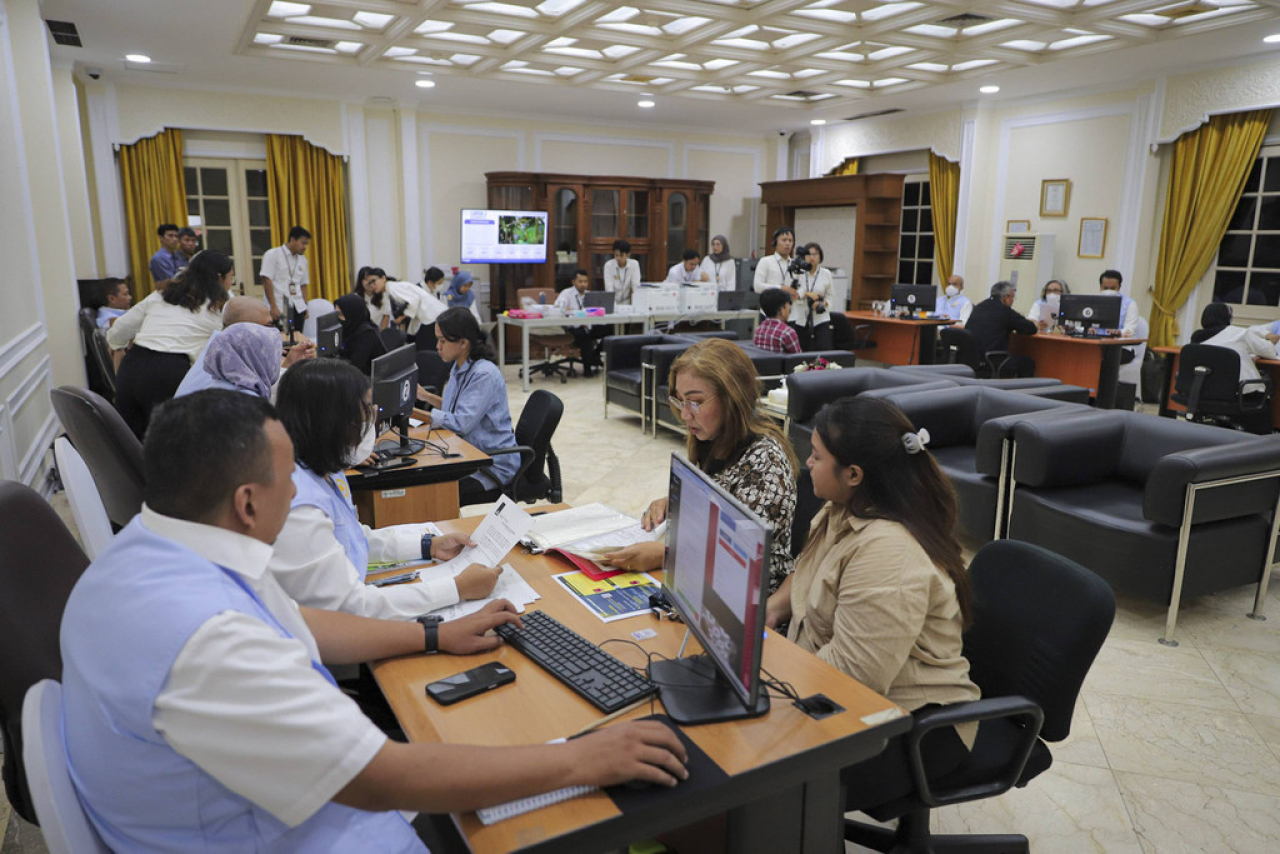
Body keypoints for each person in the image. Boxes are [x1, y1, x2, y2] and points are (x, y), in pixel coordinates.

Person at [58, 390, 689, 852]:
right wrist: (585, 759)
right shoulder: (207, 638)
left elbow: (300, 622)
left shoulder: (148, 550)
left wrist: (434, 634)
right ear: (248, 503)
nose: (304, 490)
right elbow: (381, 777)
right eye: (289, 479)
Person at [763, 396, 979, 813]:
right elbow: (810, 575)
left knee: (754, 775)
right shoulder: (843, 508)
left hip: (913, 728)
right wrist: (772, 610)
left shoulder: (888, 552)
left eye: (816, 456)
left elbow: (852, 679)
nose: (807, 463)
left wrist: (769, 680)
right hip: (847, 692)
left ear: (855, 474)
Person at [270, 359, 503, 617]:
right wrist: (455, 589)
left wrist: (429, 545)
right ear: (332, 423)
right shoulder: (297, 506)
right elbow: (352, 607)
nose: (371, 422)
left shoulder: (326, 470)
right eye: (364, 414)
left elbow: (352, 539)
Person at [604, 339, 798, 593]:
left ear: (733, 398)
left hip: (747, 604)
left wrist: (665, 553)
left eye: (695, 402)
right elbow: (714, 511)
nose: (685, 415)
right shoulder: (712, 439)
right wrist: (673, 503)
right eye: (680, 401)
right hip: (700, 586)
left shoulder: (766, 463)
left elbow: (740, 556)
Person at [108, 249, 230, 436]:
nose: (232, 283)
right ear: (220, 278)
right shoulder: (217, 309)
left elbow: (118, 331)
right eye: (231, 278)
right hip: (167, 373)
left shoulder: (161, 295)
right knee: (174, 445)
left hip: (132, 368)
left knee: (132, 446)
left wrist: (118, 349)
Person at [417, 308, 521, 500]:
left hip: (491, 465)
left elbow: (461, 423)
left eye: (442, 341)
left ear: (463, 343)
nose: (437, 347)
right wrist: (426, 397)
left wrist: (415, 413)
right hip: (471, 455)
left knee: (435, 493)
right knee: (423, 476)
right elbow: (455, 410)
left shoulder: (483, 374)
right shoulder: (460, 367)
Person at [174, 296, 314, 398]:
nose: (274, 333)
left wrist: (287, 365)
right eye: (268, 326)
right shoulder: (228, 379)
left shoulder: (221, 351)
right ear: (245, 332)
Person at [1192, 302, 1274, 434]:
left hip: (1206, 393)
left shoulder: (1196, 339)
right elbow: (1269, 351)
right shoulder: (1238, 333)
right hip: (1241, 395)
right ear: (1226, 318)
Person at [964, 280, 1037, 378]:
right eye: (1012, 297)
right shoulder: (1005, 311)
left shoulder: (979, 307)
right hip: (993, 360)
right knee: (1028, 363)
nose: (1012, 301)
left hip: (972, 360)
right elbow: (1031, 329)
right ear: (1006, 297)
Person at [554, 269, 607, 375]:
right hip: (573, 327)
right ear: (573, 282)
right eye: (580, 281)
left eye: (585, 281)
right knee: (584, 336)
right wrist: (569, 310)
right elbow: (559, 308)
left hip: (589, 325)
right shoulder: (567, 293)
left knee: (611, 329)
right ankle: (587, 369)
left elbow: (596, 311)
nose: (583, 284)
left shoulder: (590, 295)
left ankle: (595, 355)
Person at [261, 225, 311, 325]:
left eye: (306, 244)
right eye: (303, 243)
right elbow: (266, 280)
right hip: (279, 306)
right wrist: (273, 306)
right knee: (281, 338)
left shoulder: (303, 260)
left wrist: (305, 305)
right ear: (292, 240)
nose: (305, 247)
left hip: (298, 307)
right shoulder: (272, 255)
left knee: (298, 338)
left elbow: (303, 285)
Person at [792, 242, 834, 351]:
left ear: (820, 257)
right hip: (801, 318)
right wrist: (807, 294)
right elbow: (793, 293)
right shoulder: (798, 273)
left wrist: (822, 303)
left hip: (821, 318)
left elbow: (830, 296)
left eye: (815, 254)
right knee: (802, 351)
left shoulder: (826, 273)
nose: (811, 257)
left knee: (822, 350)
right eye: (808, 254)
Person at [335, 292, 387, 375]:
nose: (337, 318)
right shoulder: (350, 328)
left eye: (340, 314)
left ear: (351, 313)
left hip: (369, 379)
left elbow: (355, 367)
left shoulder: (367, 334)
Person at [1100, 269, 1141, 365]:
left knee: (1104, 357)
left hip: (1122, 347)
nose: (1109, 291)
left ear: (1119, 287)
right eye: (1106, 288)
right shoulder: (1094, 302)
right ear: (1101, 287)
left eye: (1113, 288)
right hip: (1098, 344)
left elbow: (1130, 330)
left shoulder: (1129, 304)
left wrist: (1119, 332)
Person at [752, 226, 799, 300]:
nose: (787, 243)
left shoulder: (796, 264)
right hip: (769, 307)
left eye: (790, 241)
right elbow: (757, 287)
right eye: (784, 240)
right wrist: (781, 288)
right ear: (775, 242)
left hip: (791, 307)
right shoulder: (765, 261)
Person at [753, 287, 802, 354]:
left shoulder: (758, 330)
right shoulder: (788, 333)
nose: (789, 309)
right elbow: (798, 359)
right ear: (782, 310)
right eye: (788, 305)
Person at [148, 223, 186, 289]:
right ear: (161, 238)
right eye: (170, 236)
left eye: (176, 236)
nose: (174, 239)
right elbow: (173, 281)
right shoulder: (158, 258)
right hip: (167, 294)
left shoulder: (179, 256)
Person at [603, 239, 641, 305]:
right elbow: (609, 288)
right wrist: (613, 306)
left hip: (627, 302)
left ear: (628, 255)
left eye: (621, 255)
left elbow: (636, 286)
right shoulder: (608, 265)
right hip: (613, 301)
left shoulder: (634, 264)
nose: (618, 258)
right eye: (616, 255)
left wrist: (637, 304)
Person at [354, 266, 393, 330]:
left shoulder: (383, 295)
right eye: (366, 279)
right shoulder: (355, 297)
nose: (369, 283)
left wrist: (380, 336)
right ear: (360, 281)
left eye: (372, 280)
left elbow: (386, 317)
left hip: (379, 333)